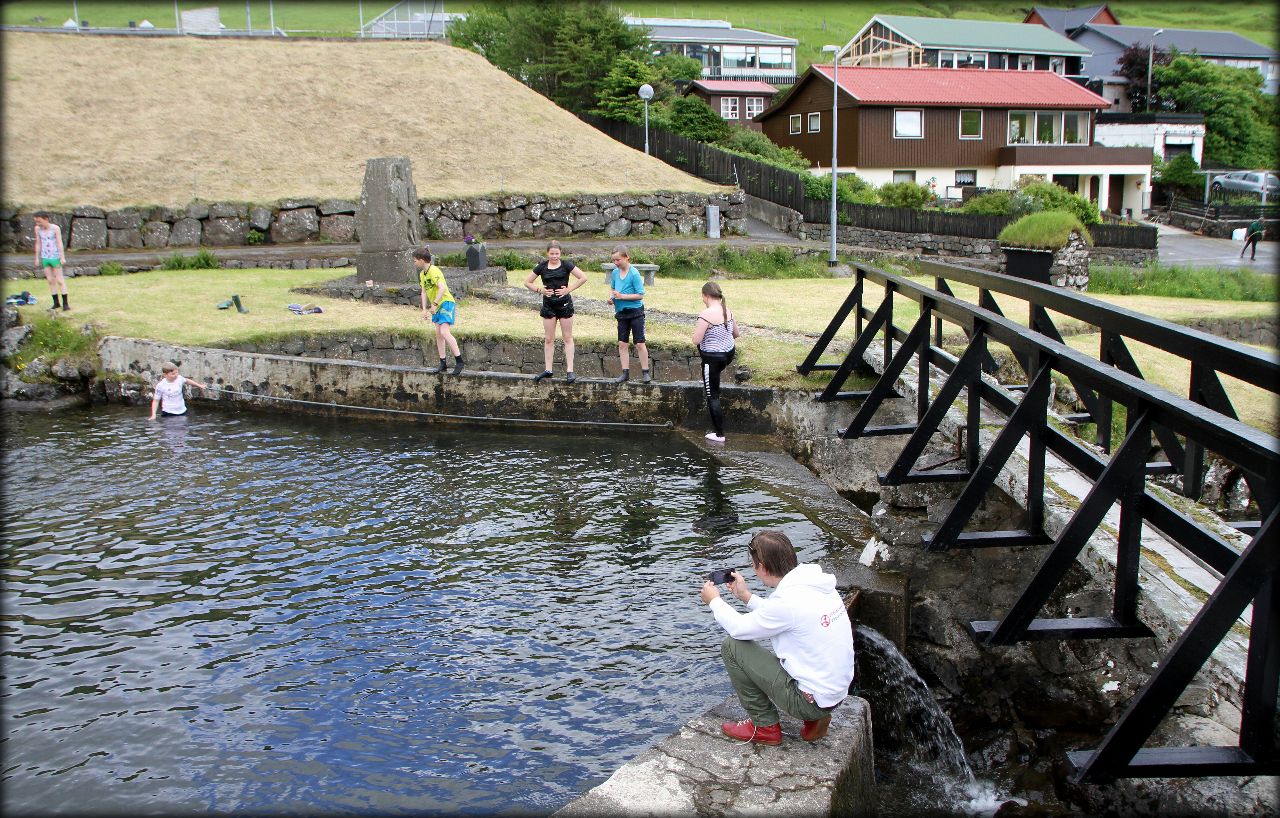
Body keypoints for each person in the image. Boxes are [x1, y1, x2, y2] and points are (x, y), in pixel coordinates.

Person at [700, 530, 854, 746]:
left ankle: (764, 726)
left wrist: (714, 601)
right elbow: (785, 616)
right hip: (833, 692)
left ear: (762, 567)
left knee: (732, 646)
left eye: (754, 566)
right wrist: (746, 597)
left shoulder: (787, 602)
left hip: (810, 701)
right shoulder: (817, 584)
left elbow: (738, 628)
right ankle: (816, 717)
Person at [524, 240, 586, 383]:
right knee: (549, 338)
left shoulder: (566, 264)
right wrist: (540, 290)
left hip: (564, 304)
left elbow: (583, 277)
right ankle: (548, 369)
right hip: (549, 305)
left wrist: (568, 289)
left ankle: (570, 370)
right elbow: (527, 282)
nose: (554, 256)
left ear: (560, 253)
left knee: (568, 337)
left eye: (557, 253)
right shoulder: (542, 266)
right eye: (552, 254)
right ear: (547, 253)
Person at [692, 281, 740, 443]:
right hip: (728, 354)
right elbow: (736, 334)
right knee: (714, 387)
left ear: (705, 296)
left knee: (712, 395)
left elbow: (696, 340)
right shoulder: (728, 310)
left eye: (703, 297)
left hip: (713, 359)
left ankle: (719, 434)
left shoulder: (706, 314)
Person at [415, 246, 464, 375]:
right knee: (438, 334)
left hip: (446, 303)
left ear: (421, 260)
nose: (414, 262)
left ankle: (459, 361)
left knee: (444, 331)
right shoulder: (422, 274)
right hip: (436, 306)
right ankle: (443, 363)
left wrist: (435, 304)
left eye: (415, 260)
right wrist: (424, 309)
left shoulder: (434, 271)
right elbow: (424, 292)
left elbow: (442, 288)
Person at [606, 245, 650, 384]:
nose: (616, 263)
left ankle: (645, 372)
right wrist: (611, 297)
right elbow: (613, 288)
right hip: (621, 312)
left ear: (626, 257)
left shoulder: (634, 274)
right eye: (614, 260)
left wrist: (622, 296)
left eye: (618, 260)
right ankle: (625, 372)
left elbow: (640, 295)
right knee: (622, 343)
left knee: (640, 343)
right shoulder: (614, 273)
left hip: (635, 312)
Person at [32, 212, 68, 311]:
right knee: (50, 280)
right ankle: (56, 303)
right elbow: (38, 243)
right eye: (36, 221)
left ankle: (65, 304)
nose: (38, 224)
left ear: (46, 219)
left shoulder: (55, 228)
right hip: (45, 257)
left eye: (40, 221)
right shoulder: (37, 229)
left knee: (60, 280)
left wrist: (62, 257)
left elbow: (59, 242)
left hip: (55, 257)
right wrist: (37, 258)